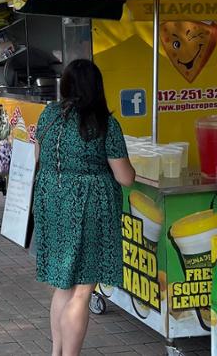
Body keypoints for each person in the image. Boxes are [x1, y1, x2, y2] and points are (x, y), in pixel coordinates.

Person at [33, 59, 135, 356]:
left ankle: (57, 353)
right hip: (89, 206)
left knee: (63, 285)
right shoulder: (104, 123)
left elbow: (40, 155)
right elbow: (125, 177)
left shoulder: (49, 115)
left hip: (52, 201)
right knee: (82, 290)